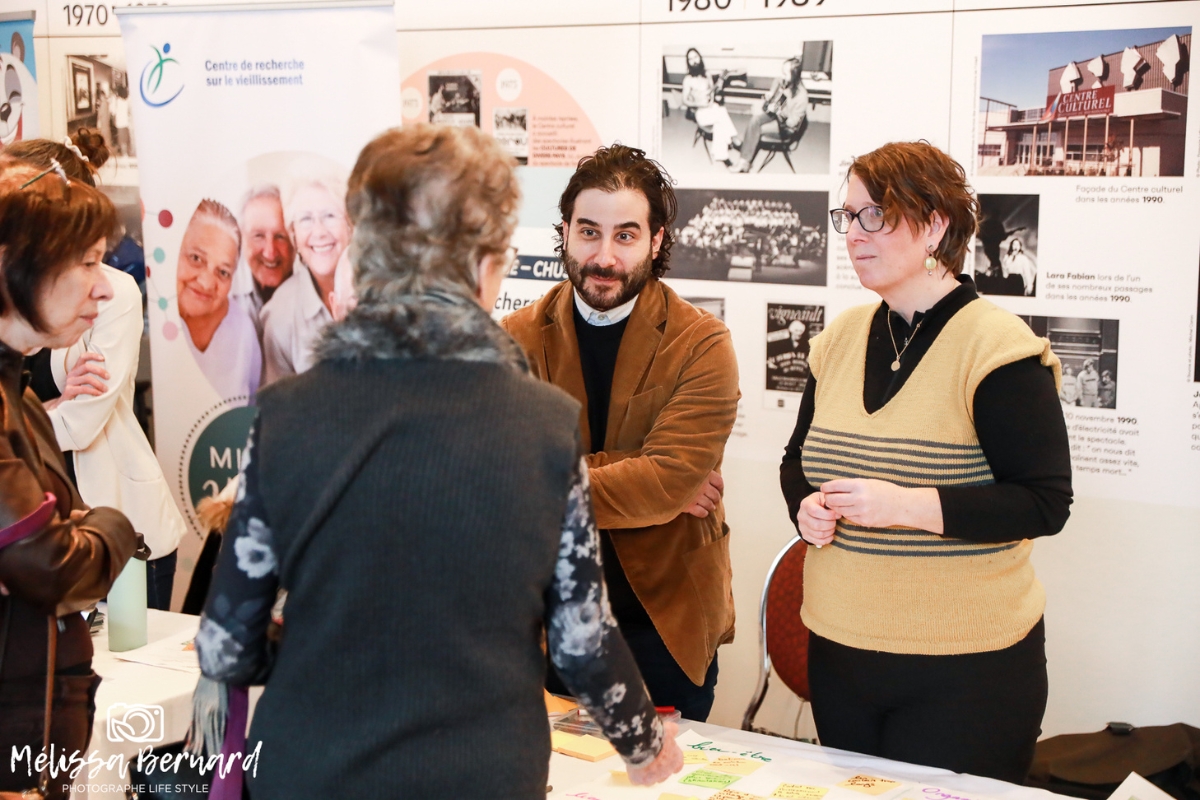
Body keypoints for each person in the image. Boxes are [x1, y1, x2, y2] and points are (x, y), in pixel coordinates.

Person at [194, 125, 682, 797]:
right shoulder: (544, 424)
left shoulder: (285, 416)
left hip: (310, 767)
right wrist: (644, 746)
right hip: (481, 772)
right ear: (485, 266)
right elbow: (580, 639)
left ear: (367, 257)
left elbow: (226, 644)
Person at [780, 141, 1072, 782]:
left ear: (936, 224)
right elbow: (796, 460)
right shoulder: (839, 339)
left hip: (965, 669)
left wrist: (905, 506)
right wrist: (802, 505)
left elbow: (1044, 501)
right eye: (847, 216)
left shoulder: (997, 347)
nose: (853, 235)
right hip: (841, 654)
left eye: (873, 216)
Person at [502, 144, 740, 721]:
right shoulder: (514, 339)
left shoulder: (703, 343)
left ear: (656, 241)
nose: (603, 256)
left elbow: (665, 479)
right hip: (545, 626)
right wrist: (642, 475)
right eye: (588, 232)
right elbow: (499, 481)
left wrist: (659, 481)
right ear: (564, 231)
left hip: (663, 628)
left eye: (626, 236)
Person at [0, 158, 138, 800]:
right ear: (12, 266)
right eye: (85, 262)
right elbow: (50, 561)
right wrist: (113, 525)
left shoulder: (19, 397)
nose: (104, 288)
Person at [7, 135, 186, 610]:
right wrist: (48, 409)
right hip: (51, 532)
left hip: (112, 522)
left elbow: (80, 424)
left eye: (94, 259)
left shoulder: (113, 293)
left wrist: (109, 527)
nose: (98, 287)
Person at [259, 172, 350, 383]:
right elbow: (278, 408)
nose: (319, 232)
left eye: (329, 216)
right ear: (293, 235)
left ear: (350, 224)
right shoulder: (279, 317)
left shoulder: (381, 288)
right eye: (306, 219)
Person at [177, 198, 262, 399]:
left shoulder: (243, 330)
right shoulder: (155, 319)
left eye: (223, 272)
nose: (207, 283)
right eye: (196, 259)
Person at [233, 185, 295, 336]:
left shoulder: (315, 284)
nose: (270, 252)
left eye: (280, 236)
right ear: (241, 238)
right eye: (258, 236)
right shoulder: (221, 293)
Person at [731, 57, 808, 173]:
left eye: (785, 73)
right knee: (755, 120)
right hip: (777, 111)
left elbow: (792, 123)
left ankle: (744, 158)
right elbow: (777, 80)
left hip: (786, 128)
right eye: (782, 72)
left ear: (795, 75)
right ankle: (745, 155)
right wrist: (771, 93)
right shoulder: (786, 81)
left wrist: (779, 112)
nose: (782, 76)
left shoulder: (802, 96)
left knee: (758, 129)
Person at [680, 48, 741, 167]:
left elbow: (713, 92)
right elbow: (685, 100)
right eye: (690, 59)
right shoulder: (688, 80)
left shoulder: (707, 74)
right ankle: (734, 139)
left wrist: (717, 90)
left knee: (719, 122)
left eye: (696, 57)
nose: (694, 61)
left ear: (700, 58)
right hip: (700, 112)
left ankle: (723, 157)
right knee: (721, 111)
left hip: (711, 107)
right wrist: (699, 104)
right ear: (688, 62)